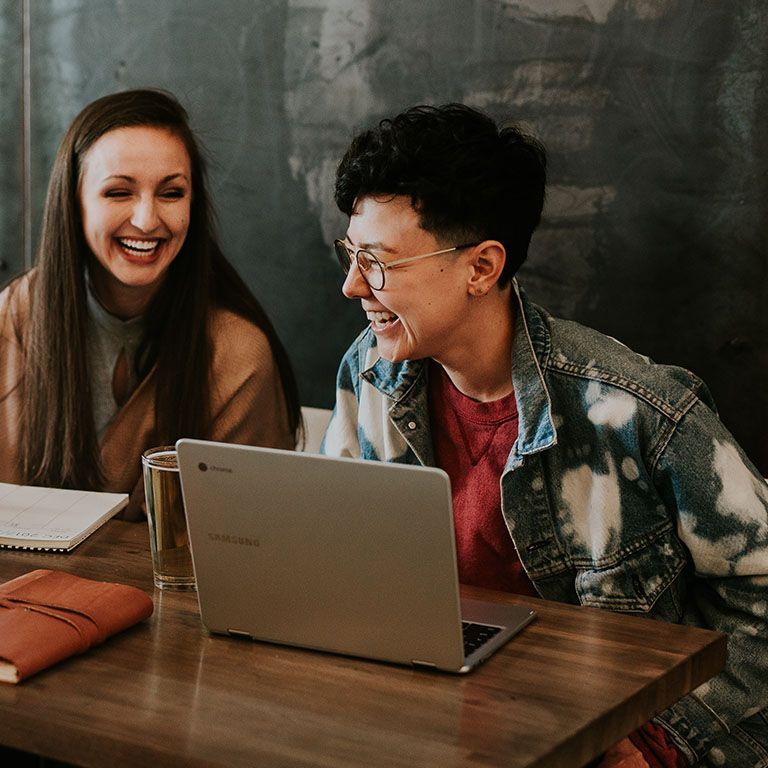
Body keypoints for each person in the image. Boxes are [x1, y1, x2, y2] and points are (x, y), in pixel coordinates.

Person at [322, 103, 768, 767]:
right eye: (351, 254)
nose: (352, 284)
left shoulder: (633, 408)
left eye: (379, 262)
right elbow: (341, 567)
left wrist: (660, 740)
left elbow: (759, 592)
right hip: (432, 723)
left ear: (482, 267)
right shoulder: (370, 374)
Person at [0, 88, 301, 519]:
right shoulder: (11, 322)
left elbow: (253, 541)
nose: (146, 219)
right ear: (74, 203)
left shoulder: (237, 355)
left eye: (171, 193)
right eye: (119, 193)